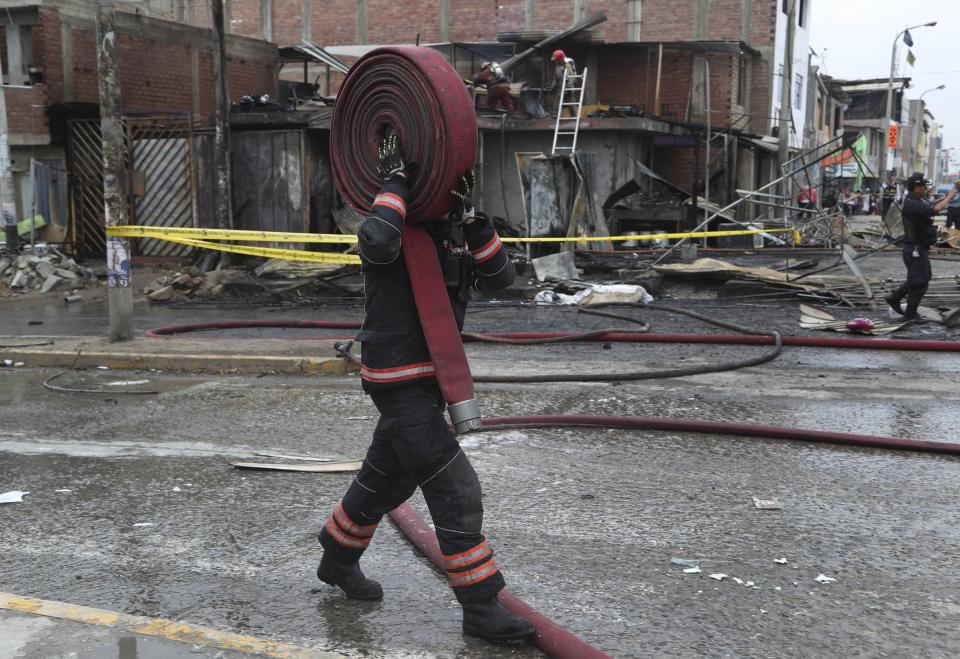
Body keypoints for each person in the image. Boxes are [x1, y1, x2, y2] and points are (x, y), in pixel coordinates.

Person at [316, 135, 533, 644]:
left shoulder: (450, 229)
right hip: (398, 380)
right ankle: (480, 607)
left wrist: (474, 218)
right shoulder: (393, 223)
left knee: (385, 481)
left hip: (431, 379)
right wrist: (394, 181)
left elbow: (503, 279)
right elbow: (375, 242)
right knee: (455, 488)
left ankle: (336, 557)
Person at [884, 171, 957, 321]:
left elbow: (931, 204)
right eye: (924, 187)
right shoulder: (912, 203)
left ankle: (895, 297)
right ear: (917, 187)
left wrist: (945, 197)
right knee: (919, 281)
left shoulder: (917, 200)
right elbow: (935, 210)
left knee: (922, 278)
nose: (925, 189)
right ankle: (909, 312)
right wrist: (949, 197)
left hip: (918, 248)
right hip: (915, 248)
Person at [548, 49, 577, 117]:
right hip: (560, 87)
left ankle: (575, 117)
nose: (555, 61)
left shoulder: (568, 65)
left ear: (560, 58)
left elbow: (573, 76)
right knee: (556, 100)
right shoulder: (557, 67)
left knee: (571, 103)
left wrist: (569, 84)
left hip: (568, 87)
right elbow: (555, 78)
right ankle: (555, 115)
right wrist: (552, 86)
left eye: (556, 59)